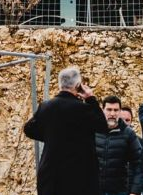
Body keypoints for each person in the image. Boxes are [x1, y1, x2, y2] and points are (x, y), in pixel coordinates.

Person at [24, 66, 108, 195]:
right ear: (78, 85)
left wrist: (51, 136)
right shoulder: (82, 109)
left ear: (60, 84)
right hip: (78, 176)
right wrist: (90, 98)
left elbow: (29, 129)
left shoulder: (46, 107)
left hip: (50, 175)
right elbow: (103, 126)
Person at [97, 95, 143, 195]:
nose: (112, 113)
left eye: (116, 110)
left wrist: (135, 191)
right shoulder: (94, 130)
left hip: (119, 190)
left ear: (119, 111)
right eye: (109, 109)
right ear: (102, 110)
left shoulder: (128, 134)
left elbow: (139, 162)